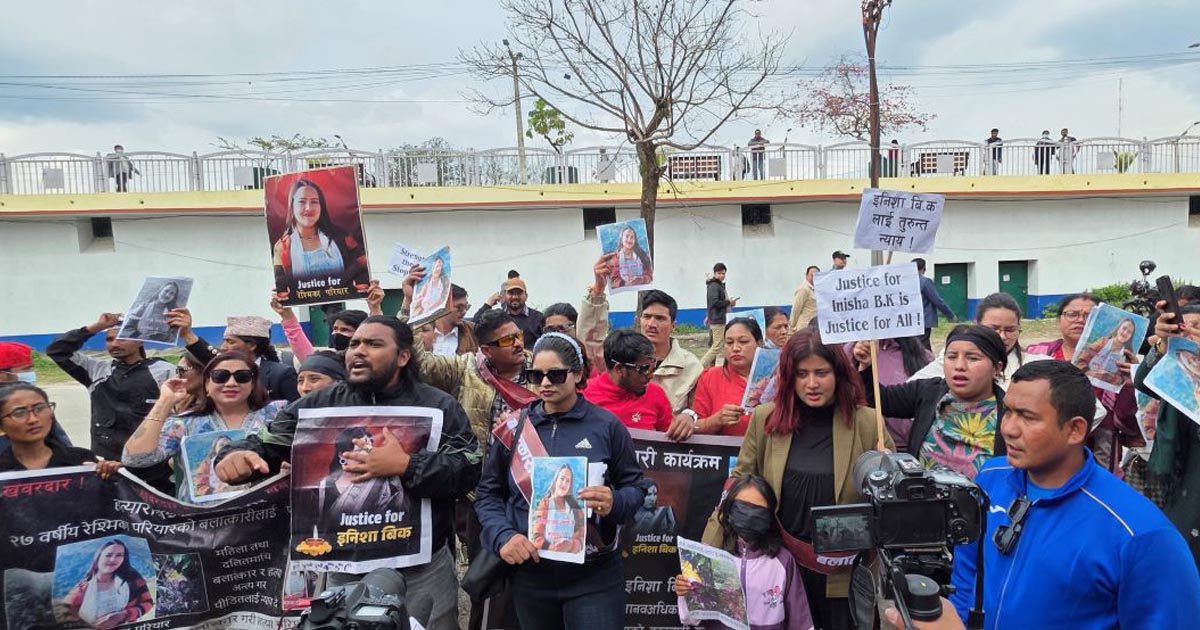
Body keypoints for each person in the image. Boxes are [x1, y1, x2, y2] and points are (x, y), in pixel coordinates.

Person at [216, 316, 481, 630]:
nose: (358, 351)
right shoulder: (317, 406)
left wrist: (407, 465)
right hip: (344, 568)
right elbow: (268, 443)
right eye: (355, 344)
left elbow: (469, 467)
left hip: (422, 571)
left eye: (373, 344)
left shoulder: (439, 406)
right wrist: (236, 455)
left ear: (403, 356)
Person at [950, 361, 1200, 629]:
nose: (1009, 428)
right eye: (1008, 411)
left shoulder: (1140, 533)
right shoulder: (991, 478)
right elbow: (967, 570)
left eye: (1027, 417)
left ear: (1075, 429)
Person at [704, 329, 892, 630]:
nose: (812, 383)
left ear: (838, 373)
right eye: (802, 374)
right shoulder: (766, 419)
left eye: (821, 373)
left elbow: (890, 501)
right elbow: (737, 488)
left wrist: (888, 470)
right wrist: (705, 560)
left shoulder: (868, 423)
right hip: (779, 569)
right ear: (789, 377)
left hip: (842, 575)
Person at [474, 332, 646, 630]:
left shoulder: (607, 426)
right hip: (530, 574)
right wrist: (503, 536)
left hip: (594, 575)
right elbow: (488, 495)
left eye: (555, 374)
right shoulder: (515, 428)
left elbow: (638, 489)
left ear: (577, 374)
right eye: (535, 375)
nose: (544, 383)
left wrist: (614, 501)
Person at [121, 351, 285, 503]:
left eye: (242, 376)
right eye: (220, 376)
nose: (231, 383)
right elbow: (135, 459)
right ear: (206, 384)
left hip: (267, 514)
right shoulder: (184, 423)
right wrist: (165, 401)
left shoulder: (278, 413)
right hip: (202, 519)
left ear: (253, 383)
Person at [854, 325, 1007, 479]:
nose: (960, 366)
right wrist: (866, 366)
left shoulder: (1010, 411)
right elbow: (879, 399)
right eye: (952, 357)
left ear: (997, 368)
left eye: (973, 358)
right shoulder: (928, 392)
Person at [677, 475, 813, 630]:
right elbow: (690, 617)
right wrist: (685, 592)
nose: (750, 516)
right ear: (730, 509)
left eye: (758, 511)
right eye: (743, 508)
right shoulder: (710, 558)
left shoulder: (783, 561)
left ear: (770, 514)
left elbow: (801, 622)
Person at [581, 256, 703, 426]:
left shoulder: (691, 367)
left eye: (660, 318)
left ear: (673, 325)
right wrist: (597, 291)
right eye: (647, 317)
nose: (651, 324)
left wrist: (690, 416)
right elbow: (590, 342)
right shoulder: (619, 354)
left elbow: (698, 411)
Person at [1026, 294, 1137, 474]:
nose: (1080, 320)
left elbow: (1129, 422)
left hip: (1098, 453)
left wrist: (1131, 383)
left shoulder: (1118, 361)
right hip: (1043, 448)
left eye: (1089, 315)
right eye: (1072, 314)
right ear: (1059, 319)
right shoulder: (1037, 354)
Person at [46, 312, 174, 459]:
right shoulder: (96, 370)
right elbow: (56, 350)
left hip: (150, 458)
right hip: (107, 462)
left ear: (140, 341)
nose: (115, 344)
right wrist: (96, 327)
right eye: (109, 339)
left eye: (122, 338)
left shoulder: (163, 370)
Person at [1135, 303, 1200, 565]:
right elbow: (1144, 382)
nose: (1189, 333)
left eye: (1197, 327)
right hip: (1180, 480)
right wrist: (1163, 345)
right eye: (1184, 327)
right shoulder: (1178, 371)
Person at [909, 292, 1050, 388]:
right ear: (976, 325)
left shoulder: (1035, 365)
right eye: (994, 328)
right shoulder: (953, 359)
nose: (1002, 336)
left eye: (1010, 330)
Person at [271, 177, 369, 297]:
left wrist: (367, 290)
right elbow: (283, 288)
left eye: (314, 202)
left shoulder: (342, 239)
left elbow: (362, 269)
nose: (308, 208)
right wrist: (280, 299)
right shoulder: (282, 248)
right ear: (292, 206)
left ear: (321, 206)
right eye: (302, 202)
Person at [0, 383, 119, 476]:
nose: (33, 419)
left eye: (40, 408)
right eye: (19, 413)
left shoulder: (80, 460)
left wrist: (111, 473)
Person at [843, 336, 932, 451]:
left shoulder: (923, 356)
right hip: (873, 449)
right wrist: (865, 367)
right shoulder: (848, 354)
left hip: (914, 450)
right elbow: (873, 398)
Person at [316, 427, 406, 538]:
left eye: (368, 451)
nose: (365, 456)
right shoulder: (325, 486)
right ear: (342, 455)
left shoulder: (384, 483)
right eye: (358, 451)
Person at [585, 329, 674, 432]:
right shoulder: (583, 397)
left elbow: (669, 434)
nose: (651, 375)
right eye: (644, 369)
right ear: (619, 369)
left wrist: (687, 417)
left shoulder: (655, 393)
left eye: (653, 367)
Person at [692, 318, 764, 437]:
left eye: (743, 341)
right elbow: (694, 426)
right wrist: (715, 421)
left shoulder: (777, 377)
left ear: (759, 343)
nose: (735, 348)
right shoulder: (710, 377)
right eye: (729, 343)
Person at [61, 539, 153, 629]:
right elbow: (64, 612)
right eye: (108, 555)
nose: (113, 559)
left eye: (119, 555)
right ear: (98, 557)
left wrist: (123, 615)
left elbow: (148, 602)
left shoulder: (132, 578)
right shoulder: (83, 588)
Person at [220, 315, 300, 402]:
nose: (223, 347)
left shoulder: (282, 374)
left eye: (231, 342)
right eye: (224, 341)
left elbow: (296, 407)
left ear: (251, 346)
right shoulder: (218, 373)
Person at [530, 463, 586, 554]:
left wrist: (571, 545)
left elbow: (583, 535)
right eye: (562, 478)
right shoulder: (545, 504)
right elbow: (536, 536)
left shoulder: (575, 508)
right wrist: (552, 548)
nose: (564, 484)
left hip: (571, 558)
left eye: (568, 481)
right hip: (548, 557)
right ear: (556, 480)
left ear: (570, 485)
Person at [474, 277, 544, 348]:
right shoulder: (497, 318)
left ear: (526, 296)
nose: (515, 297)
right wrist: (488, 304)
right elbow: (473, 327)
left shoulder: (538, 317)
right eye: (511, 293)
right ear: (504, 296)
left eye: (519, 293)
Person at [1072, 316, 1138, 389]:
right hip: (1084, 384)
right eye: (1124, 328)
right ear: (1118, 328)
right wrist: (1089, 373)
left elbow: (1124, 379)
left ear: (1131, 336)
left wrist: (1110, 378)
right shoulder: (1102, 342)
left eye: (1129, 332)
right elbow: (1080, 361)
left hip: (1108, 392)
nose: (1125, 333)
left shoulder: (1127, 355)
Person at [914, 258, 957, 350]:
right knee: (923, 348)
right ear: (924, 269)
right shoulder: (925, 282)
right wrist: (950, 315)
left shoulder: (904, 282)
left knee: (916, 346)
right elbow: (937, 301)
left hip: (910, 321)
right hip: (923, 320)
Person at [701, 262, 738, 369]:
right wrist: (728, 302)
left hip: (719, 318)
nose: (722, 275)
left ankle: (719, 369)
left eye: (723, 273)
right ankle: (699, 367)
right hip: (718, 320)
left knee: (721, 347)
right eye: (719, 273)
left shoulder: (718, 285)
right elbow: (714, 302)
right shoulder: (714, 286)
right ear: (714, 273)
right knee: (717, 347)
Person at [789, 266, 821, 333]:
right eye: (812, 275)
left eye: (817, 276)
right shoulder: (803, 289)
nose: (814, 278)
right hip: (805, 326)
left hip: (815, 326)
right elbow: (796, 309)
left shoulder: (817, 289)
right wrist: (792, 327)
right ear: (806, 276)